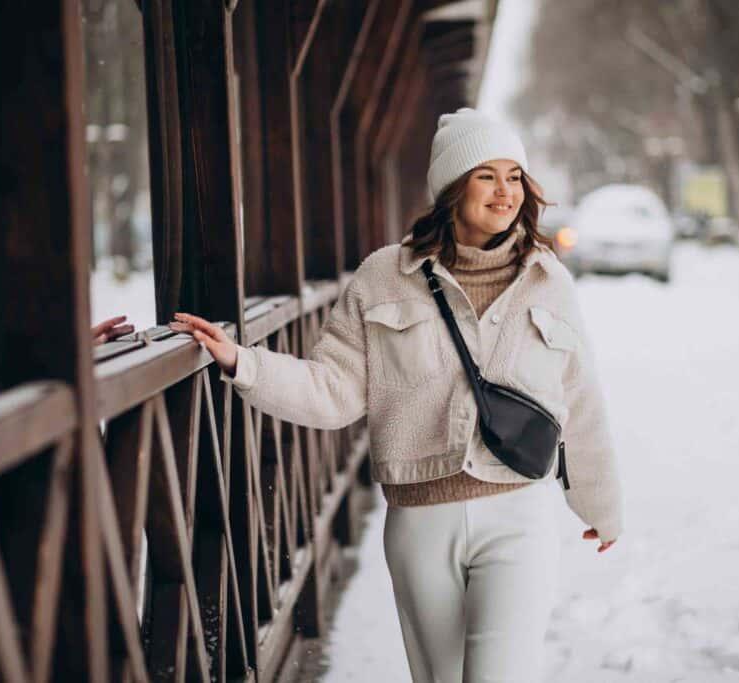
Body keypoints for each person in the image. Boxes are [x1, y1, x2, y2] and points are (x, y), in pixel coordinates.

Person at [172, 108, 623, 682]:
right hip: (420, 522)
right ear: (453, 189)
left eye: (514, 176)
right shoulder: (384, 276)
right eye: (487, 175)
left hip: (519, 512)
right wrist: (244, 364)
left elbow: (580, 399)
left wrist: (601, 505)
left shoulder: (547, 278)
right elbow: (333, 391)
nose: (504, 191)